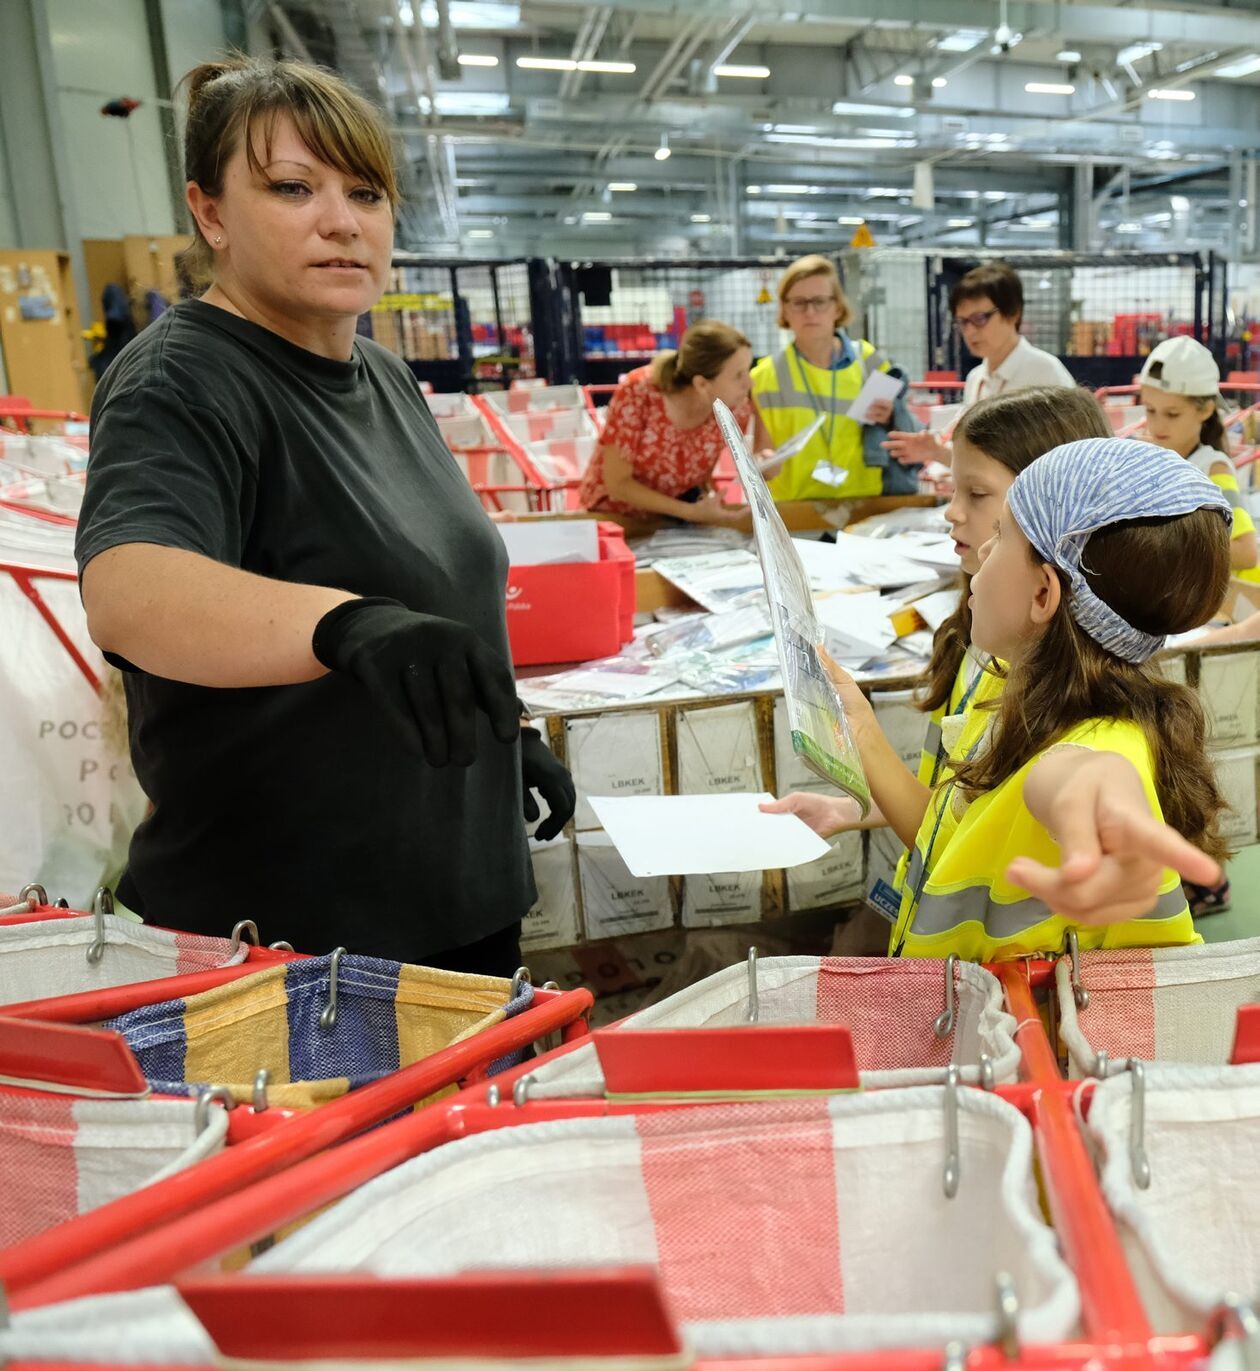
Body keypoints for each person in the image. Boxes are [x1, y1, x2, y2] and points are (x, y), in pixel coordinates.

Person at [74, 56, 576, 977]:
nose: (343, 222)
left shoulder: (382, 373)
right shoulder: (182, 378)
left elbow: (427, 582)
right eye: (294, 189)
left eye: (367, 191)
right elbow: (129, 587)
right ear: (210, 212)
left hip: (455, 903)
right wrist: (346, 624)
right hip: (300, 943)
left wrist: (506, 738)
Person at [770, 437, 1231, 961]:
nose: (982, 554)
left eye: (1002, 535)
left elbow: (1077, 775)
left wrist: (1100, 799)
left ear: (1043, 595)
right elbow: (962, 827)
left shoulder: (1101, 746)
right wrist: (860, 727)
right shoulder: (1017, 686)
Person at [766, 386, 1112, 933]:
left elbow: (945, 834)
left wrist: (862, 732)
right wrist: (851, 808)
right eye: (952, 488)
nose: (952, 513)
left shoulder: (1052, 693)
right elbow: (955, 800)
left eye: (977, 494)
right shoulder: (986, 637)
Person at [750, 254, 923, 501]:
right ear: (785, 309)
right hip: (795, 514)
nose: (810, 312)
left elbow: (905, 430)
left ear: (838, 307)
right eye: (799, 302)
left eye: (819, 301)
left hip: (865, 505)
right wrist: (760, 463)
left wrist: (891, 416)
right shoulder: (764, 376)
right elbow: (761, 454)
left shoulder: (869, 360)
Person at [883, 261, 1076, 469]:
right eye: (963, 322)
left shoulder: (1045, 373)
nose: (970, 331)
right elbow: (980, 465)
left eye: (980, 318)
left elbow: (1067, 458)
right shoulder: (977, 378)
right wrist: (936, 453)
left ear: (1013, 313)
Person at [578, 320, 759, 524]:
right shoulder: (638, 393)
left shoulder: (735, 408)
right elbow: (617, 483)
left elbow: (700, 475)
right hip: (613, 519)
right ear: (701, 383)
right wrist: (689, 512)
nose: (749, 383)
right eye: (738, 375)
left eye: (748, 370)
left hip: (673, 523)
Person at [1139, 335, 1259, 582]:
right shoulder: (1148, 459)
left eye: (1172, 414)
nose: (1157, 424)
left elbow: (1246, 552)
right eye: (1150, 410)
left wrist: (1162, 547)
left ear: (1205, 410)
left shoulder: (1214, 470)